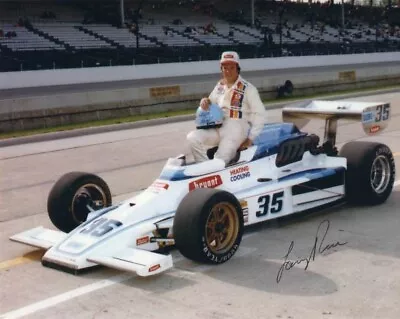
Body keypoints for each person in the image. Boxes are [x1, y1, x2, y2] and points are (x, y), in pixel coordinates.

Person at [186, 51, 266, 165]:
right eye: (225, 68)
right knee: (192, 138)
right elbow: (210, 101)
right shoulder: (220, 86)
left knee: (220, 160)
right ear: (221, 69)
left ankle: (211, 170)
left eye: (232, 67)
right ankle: (204, 168)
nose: (228, 71)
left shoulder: (248, 89)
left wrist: (250, 139)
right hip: (217, 126)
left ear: (238, 68)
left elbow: (260, 114)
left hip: (236, 128)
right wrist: (205, 101)